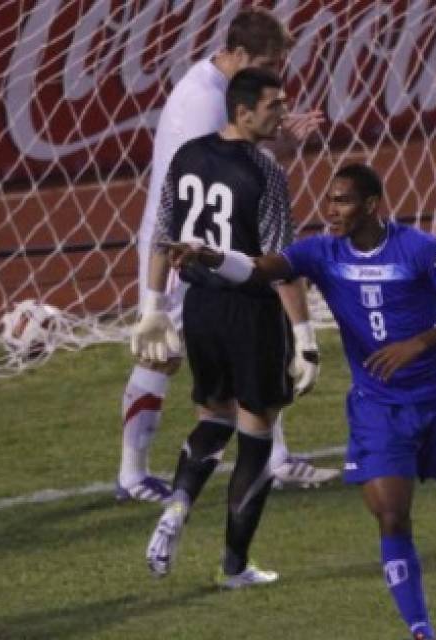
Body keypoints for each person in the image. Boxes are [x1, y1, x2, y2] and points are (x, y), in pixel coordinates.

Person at [167, 164, 436, 640]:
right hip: (377, 408)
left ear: (371, 204)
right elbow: (259, 269)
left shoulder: (421, 249)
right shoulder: (321, 253)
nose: (332, 209)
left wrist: (421, 342)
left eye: (343, 200)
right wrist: (212, 257)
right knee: (390, 513)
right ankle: (424, 636)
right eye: (330, 200)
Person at [116, 7, 336, 502]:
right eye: (268, 61)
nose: (275, 73)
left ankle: (274, 460)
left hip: (218, 241)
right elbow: (217, 178)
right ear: (236, 53)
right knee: (163, 353)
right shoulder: (201, 102)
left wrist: (278, 141)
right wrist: (282, 145)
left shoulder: (230, 92)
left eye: (280, 63)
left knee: (255, 338)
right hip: (181, 249)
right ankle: (131, 476)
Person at [132, 67, 312, 588]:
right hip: (253, 315)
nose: (282, 113)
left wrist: (154, 308)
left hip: (201, 309)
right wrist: (305, 341)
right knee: (256, 438)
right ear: (243, 111)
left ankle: (178, 505)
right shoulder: (265, 172)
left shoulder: (188, 156)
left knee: (213, 418)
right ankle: (234, 567)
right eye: (274, 106)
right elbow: (281, 265)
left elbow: (163, 239)